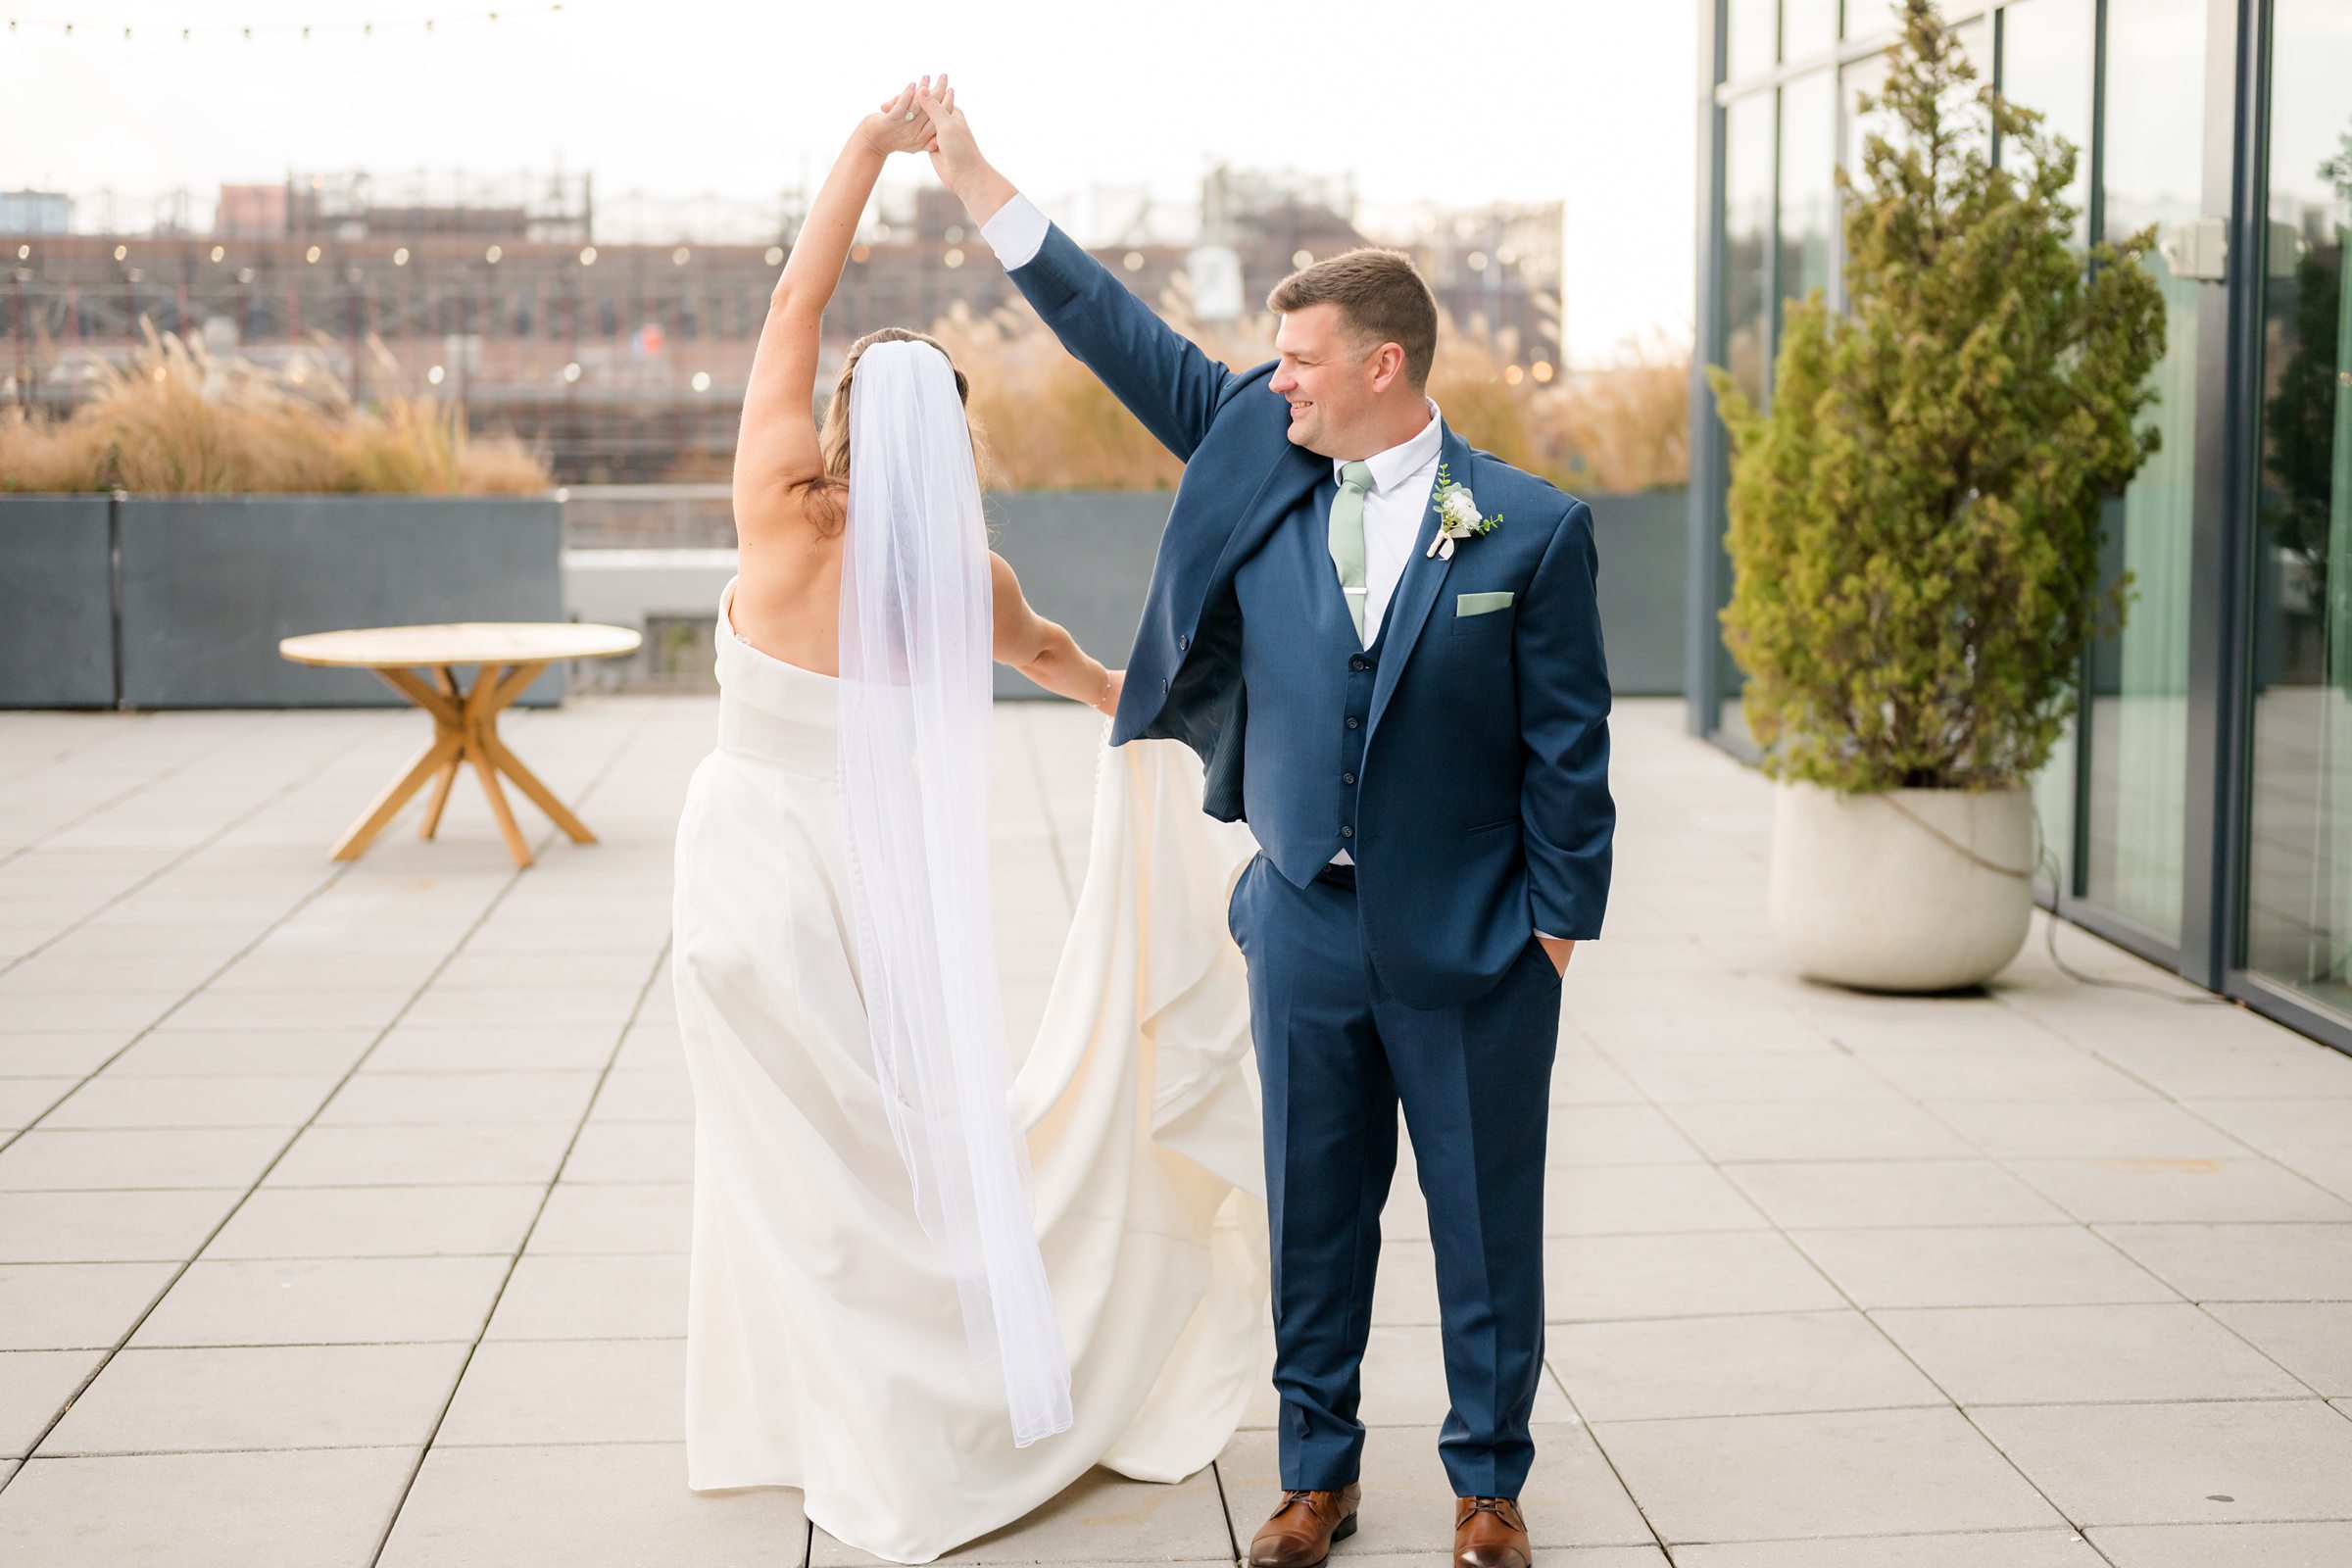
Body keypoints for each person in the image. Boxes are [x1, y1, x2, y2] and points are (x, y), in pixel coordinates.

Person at [916, 76, 1615, 1568]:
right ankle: (1319, 1474)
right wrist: (980, 182)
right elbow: (1114, 329)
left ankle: (1489, 1488)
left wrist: (1558, 926)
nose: (1272, 378)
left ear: (1383, 362)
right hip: (1304, 913)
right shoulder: (1253, 447)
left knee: (1490, 1225)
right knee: (1314, 1216)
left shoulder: (1532, 530)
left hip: (1483, 939)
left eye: (1298, 358)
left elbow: (1572, 745)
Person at [670, 75, 1267, 1565]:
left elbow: (797, 297)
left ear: (847, 422)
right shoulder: (970, 586)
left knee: (793, 1171)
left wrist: (866, 153)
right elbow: (1086, 676)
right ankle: (897, 1404)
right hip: (873, 893)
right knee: (884, 1156)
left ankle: (842, 1423)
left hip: (746, 885)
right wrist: (1193, 739)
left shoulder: (778, 504)